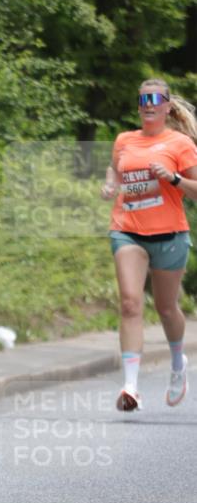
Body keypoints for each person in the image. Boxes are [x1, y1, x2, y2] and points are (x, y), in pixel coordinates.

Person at [101, 78, 197, 411]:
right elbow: (115, 169)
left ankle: (177, 363)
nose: (148, 104)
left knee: (167, 308)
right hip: (127, 230)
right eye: (143, 99)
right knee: (129, 303)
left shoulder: (180, 143)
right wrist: (110, 185)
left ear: (168, 105)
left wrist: (172, 178)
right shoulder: (125, 140)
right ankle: (130, 386)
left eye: (155, 98)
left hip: (170, 234)